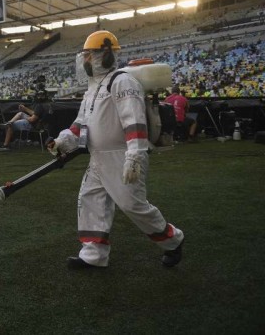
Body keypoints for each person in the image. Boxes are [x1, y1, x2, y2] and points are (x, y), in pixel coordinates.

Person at [46, 30, 185, 269]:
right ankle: (93, 255)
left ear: (103, 55)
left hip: (123, 156)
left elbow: (134, 121)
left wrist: (134, 156)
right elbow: (80, 125)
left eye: (89, 55)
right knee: (90, 200)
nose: (85, 61)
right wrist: (61, 142)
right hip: (98, 158)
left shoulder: (122, 81)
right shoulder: (92, 89)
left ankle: (173, 239)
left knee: (133, 206)